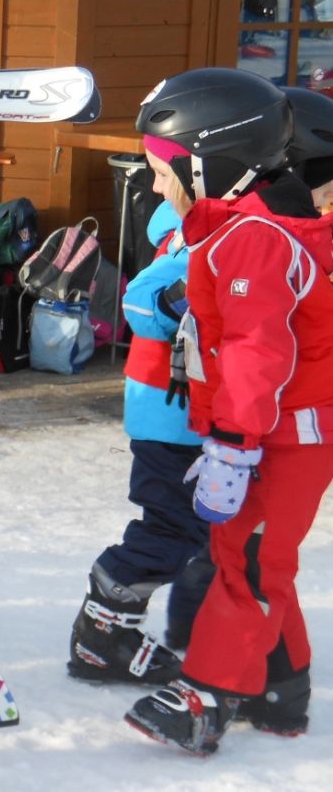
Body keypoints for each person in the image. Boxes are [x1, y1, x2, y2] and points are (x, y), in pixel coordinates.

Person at [124, 68, 333, 756]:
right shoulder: (234, 230)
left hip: (284, 434)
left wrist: (234, 444)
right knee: (250, 554)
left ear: (213, 165)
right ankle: (280, 686)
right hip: (270, 429)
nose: (157, 187)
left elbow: (254, 351)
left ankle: (207, 695)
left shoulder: (254, 241)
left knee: (249, 563)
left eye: (165, 173)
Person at [66, 198, 204, 685]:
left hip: (181, 410)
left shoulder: (201, 231)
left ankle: (196, 627)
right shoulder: (195, 240)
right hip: (172, 415)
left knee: (203, 529)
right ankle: (103, 633)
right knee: (173, 527)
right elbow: (142, 302)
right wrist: (184, 296)